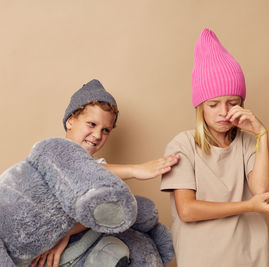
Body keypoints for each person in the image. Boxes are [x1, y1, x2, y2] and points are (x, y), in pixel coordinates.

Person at [160, 29, 269, 267]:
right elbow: (187, 210)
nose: (224, 112)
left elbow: (263, 191)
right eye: (213, 104)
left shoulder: (248, 143)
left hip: (251, 257)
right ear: (200, 108)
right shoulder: (182, 145)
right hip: (202, 259)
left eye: (233, 103)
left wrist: (262, 134)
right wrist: (249, 206)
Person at [32, 79, 180, 267]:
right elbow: (78, 170)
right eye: (91, 124)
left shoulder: (101, 167)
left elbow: (102, 215)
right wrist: (134, 169)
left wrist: (67, 232)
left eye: (105, 130)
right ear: (70, 121)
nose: (97, 135)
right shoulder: (49, 152)